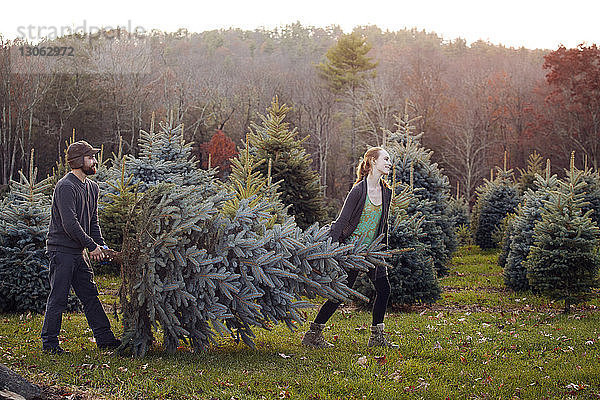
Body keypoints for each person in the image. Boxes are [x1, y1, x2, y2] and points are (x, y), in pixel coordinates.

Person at [301, 146, 398, 348]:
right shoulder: (358, 190)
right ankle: (313, 334)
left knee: (384, 288)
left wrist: (383, 250)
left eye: (390, 160)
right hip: (352, 252)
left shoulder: (387, 191)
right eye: (386, 159)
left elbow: (384, 224)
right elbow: (341, 221)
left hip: (373, 251)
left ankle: (377, 337)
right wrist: (329, 250)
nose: (389, 163)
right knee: (341, 294)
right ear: (372, 162)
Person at [41, 140, 121, 354]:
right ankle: (49, 344)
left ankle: (105, 338)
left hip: (78, 251)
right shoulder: (65, 186)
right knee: (58, 297)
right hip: (61, 250)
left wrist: (101, 246)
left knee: (90, 294)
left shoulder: (92, 187)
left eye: (93, 157)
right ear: (78, 161)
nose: (95, 161)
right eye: (90, 157)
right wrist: (91, 246)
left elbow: (92, 221)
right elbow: (70, 224)